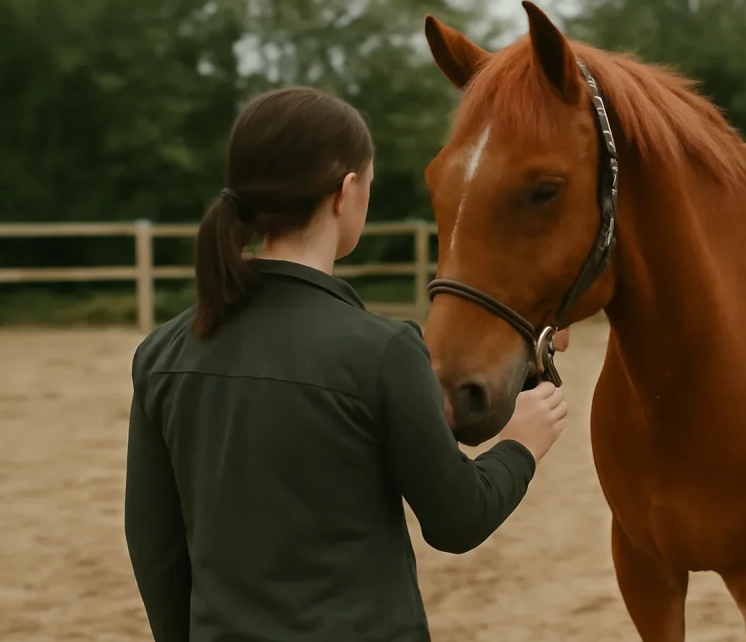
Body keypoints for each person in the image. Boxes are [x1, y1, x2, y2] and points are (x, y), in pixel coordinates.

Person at [123, 86, 570, 642]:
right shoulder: (382, 352)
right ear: (346, 192)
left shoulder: (162, 354)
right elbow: (458, 519)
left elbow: (153, 542)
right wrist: (521, 445)